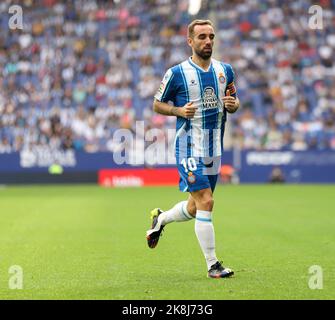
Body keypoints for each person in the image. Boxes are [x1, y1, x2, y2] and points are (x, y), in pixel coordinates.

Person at [146, 19, 240, 279]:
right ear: (190, 41)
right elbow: (157, 104)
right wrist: (177, 110)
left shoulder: (225, 70)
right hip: (188, 147)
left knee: (195, 207)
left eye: (211, 36)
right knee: (207, 201)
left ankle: (161, 219)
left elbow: (234, 98)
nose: (207, 41)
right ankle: (213, 265)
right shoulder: (176, 73)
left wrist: (234, 105)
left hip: (214, 148)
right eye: (201, 37)